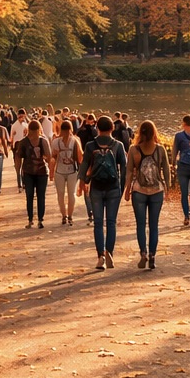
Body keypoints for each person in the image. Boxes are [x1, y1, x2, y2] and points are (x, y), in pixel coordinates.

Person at [78, 116, 127, 271]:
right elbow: (124, 168)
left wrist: (83, 182)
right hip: (113, 187)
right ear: (112, 128)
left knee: (98, 223)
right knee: (111, 222)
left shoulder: (91, 145)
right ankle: (110, 253)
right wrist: (123, 186)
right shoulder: (118, 146)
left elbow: (85, 164)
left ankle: (101, 257)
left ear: (97, 128)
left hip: (96, 187)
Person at [124, 120, 171, 270]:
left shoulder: (133, 149)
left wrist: (127, 189)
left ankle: (143, 253)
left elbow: (130, 171)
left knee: (140, 224)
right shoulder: (160, 149)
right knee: (154, 225)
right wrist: (168, 188)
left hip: (139, 191)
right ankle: (152, 256)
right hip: (157, 191)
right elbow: (166, 170)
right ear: (154, 132)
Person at [14, 119, 52, 228]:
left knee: (39, 196)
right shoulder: (24, 142)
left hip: (39, 172)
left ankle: (39, 219)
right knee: (30, 196)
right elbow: (18, 157)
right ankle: (31, 219)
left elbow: (49, 156)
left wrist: (50, 167)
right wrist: (18, 171)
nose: (34, 133)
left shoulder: (42, 141)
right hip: (29, 172)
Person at [51, 118, 83, 226]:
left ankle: (67, 215)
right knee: (65, 194)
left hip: (67, 171)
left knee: (67, 195)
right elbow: (53, 156)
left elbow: (79, 158)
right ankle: (66, 215)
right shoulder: (59, 141)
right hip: (64, 171)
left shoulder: (73, 141)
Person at [9, 108, 30, 191]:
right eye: (20, 116)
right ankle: (19, 183)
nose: (21, 117)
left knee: (24, 166)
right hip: (17, 146)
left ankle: (24, 182)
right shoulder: (14, 125)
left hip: (25, 146)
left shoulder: (26, 125)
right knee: (18, 166)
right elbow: (12, 137)